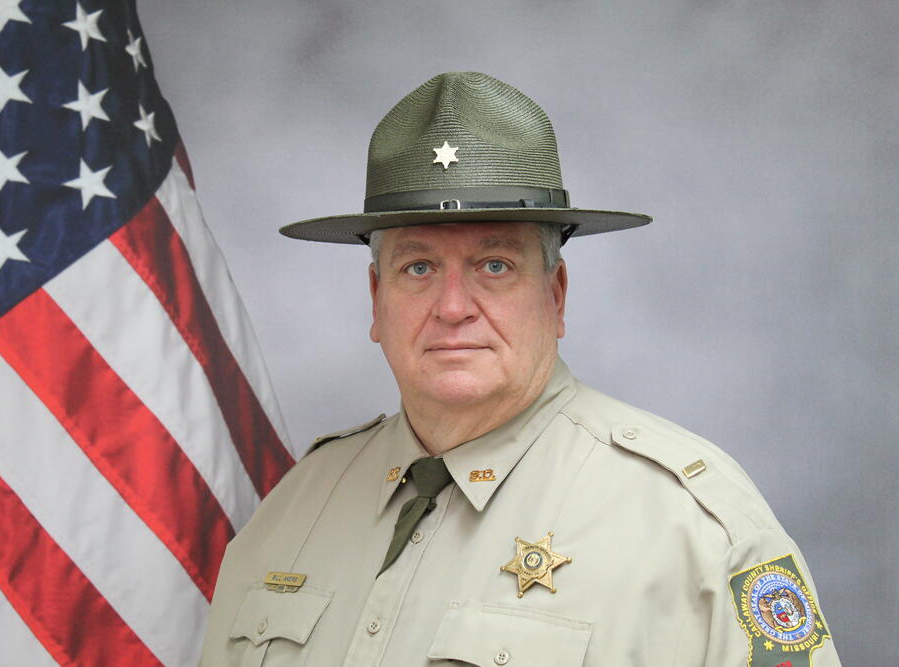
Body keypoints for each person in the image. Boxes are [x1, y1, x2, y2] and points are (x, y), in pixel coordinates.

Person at [200, 72, 840, 666]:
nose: (453, 308)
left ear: (555, 295)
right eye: (417, 268)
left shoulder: (693, 530)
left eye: (495, 265)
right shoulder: (294, 508)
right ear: (376, 301)